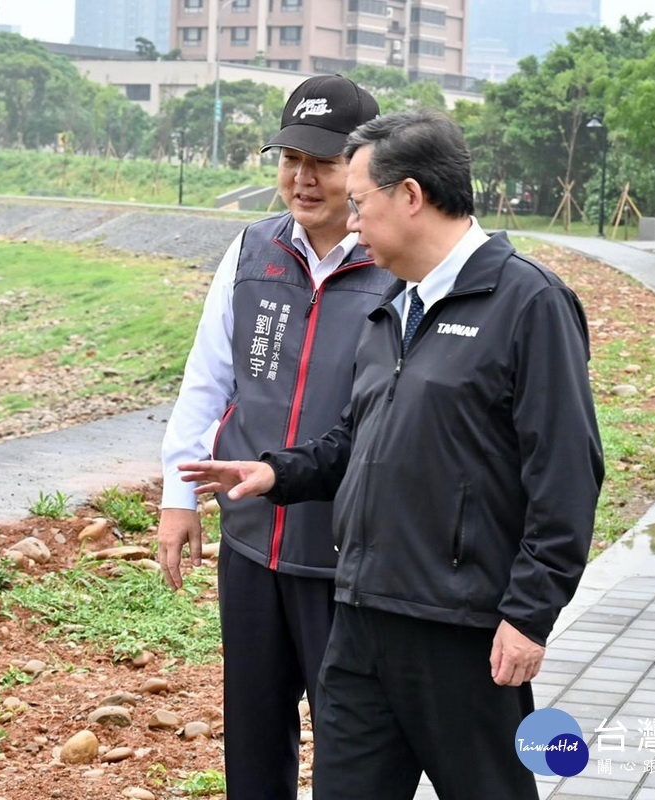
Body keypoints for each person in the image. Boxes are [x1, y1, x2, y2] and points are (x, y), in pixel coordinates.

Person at [178, 109, 604, 800]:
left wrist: (530, 614)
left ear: (411, 196)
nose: (350, 224)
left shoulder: (528, 303)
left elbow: (567, 475)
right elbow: (356, 440)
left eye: (359, 205)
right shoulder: (394, 307)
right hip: (360, 615)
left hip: (460, 630)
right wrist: (277, 472)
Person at [156, 75, 390, 800]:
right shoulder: (252, 251)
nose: (302, 178)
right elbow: (207, 382)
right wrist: (179, 495)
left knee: (351, 738)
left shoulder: (393, 268)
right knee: (253, 733)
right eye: (290, 157)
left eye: (321, 162)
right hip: (253, 541)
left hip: (344, 553)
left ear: (362, 169)